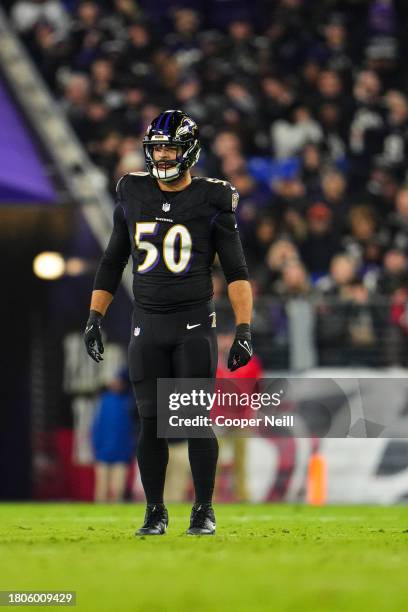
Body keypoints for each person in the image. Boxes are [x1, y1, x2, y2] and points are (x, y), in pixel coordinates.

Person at [84, 110, 253, 536]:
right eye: (156, 147)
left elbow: (236, 271)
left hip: (194, 324)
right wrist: (94, 317)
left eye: (169, 148)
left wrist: (245, 329)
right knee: (151, 424)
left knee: (194, 419)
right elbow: (112, 259)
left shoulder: (211, 198)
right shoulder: (132, 190)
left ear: (189, 152)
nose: (161, 155)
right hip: (147, 324)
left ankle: (203, 510)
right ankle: (155, 510)